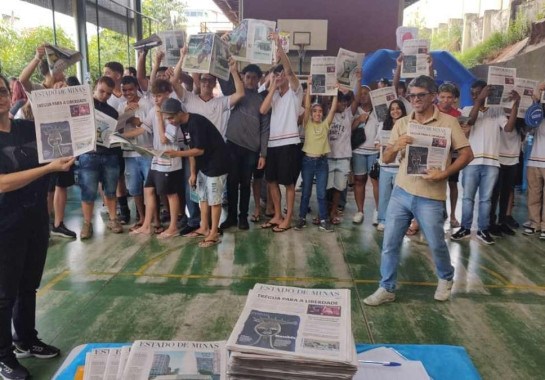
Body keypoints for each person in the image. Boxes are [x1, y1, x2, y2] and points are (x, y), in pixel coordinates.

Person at [364, 75, 473, 306]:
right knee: (390, 243)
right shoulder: (402, 123)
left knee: (436, 243)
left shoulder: (448, 123)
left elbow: (466, 154)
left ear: (432, 96)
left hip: (430, 196)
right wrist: (396, 146)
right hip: (401, 192)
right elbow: (385, 157)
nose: (415, 99)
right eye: (412, 95)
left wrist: (444, 174)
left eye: (421, 95)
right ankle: (387, 287)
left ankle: (446, 277)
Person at [0, 73, 74, 379]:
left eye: (2, 90)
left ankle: (26, 339)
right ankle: (3, 357)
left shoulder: (26, 127)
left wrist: (60, 101)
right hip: (5, 223)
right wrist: (48, 168)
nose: (0, 96)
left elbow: (60, 138)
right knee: (5, 293)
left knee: (28, 285)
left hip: (34, 219)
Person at [451, 80, 520, 245]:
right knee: (467, 198)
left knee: (486, 199)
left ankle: (483, 229)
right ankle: (465, 228)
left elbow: (509, 128)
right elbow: (471, 122)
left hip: (492, 162)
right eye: (473, 93)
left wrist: (516, 105)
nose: (476, 95)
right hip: (471, 161)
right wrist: (479, 101)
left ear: (487, 92)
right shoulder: (467, 109)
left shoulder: (496, 110)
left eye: (479, 92)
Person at [162, 98, 231, 247]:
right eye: (167, 119)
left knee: (215, 200)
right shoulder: (183, 125)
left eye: (171, 118)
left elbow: (199, 150)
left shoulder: (196, 123)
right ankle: (204, 227)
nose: (170, 121)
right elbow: (190, 149)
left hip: (217, 164)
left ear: (180, 112)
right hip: (203, 165)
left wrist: (176, 154)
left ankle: (214, 232)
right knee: (203, 198)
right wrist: (193, 173)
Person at [258, 33, 303, 233]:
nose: (280, 77)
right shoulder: (274, 94)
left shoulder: (296, 91)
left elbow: (289, 70)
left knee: (289, 183)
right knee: (272, 181)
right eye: (277, 75)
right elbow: (262, 110)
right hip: (273, 144)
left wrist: (278, 44)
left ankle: (288, 218)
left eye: (281, 75)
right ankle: (277, 215)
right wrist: (271, 87)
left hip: (289, 143)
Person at [218, 64, 270, 230]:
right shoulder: (236, 92)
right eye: (247, 77)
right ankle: (231, 216)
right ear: (243, 77)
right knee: (231, 183)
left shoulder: (263, 100)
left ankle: (242, 217)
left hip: (251, 150)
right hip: (232, 144)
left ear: (259, 80)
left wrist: (263, 154)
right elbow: (222, 80)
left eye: (254, 78)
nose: (250, 80)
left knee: (246, 183)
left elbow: (265, 129)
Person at [130, 80, 183, 239]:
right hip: (156, 158)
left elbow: (164, 138)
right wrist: (121, 137)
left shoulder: (174, 111)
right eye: (154, 96)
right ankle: (147, 225)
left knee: (171, 194)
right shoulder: (154, 110)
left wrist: (160, 117)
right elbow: (143, 128)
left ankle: (173, 226)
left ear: (168, 93)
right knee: (148, 189)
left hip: (169, 159)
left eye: (159, 96)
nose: (156, 99)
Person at [77, 76, 123, 239]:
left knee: (111, 190)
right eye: (102, 91)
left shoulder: (113, 112)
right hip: (88, 154)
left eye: (108, 94)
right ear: (95, 87)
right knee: (88, 191)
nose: (104, 95)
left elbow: (114, 134)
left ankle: (113, 219)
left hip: (110, 155)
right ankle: (87, 224)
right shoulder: (84, 106)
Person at [295, 76, 338, 232]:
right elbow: (306, 106)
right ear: (311, 114)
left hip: (321, 163)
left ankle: (324, 220)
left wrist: (335, 92)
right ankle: (301, 218)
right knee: (305, 192)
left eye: (320, 111)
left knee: (321, 193)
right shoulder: (307, 124)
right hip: (307, 161)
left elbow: (333, 110)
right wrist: (310, 89)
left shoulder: (326, 124)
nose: (318, 113)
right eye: (315, 111)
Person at [375, 99, 407, 231]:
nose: (395, 111)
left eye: (398, 108)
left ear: (402, 110)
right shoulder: (383, 125)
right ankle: (382, 219)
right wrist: (381, 146)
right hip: (386, 166)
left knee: (400, 197)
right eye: (392, 109)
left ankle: (398, 222)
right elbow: (376, 142)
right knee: (384, 195)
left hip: (401, 166)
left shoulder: (408, 124)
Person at [351, 85, 380, 225]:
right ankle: (360, 211)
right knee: (359, 180)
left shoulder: (378, 110)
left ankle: (378, 211)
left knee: (376, 182)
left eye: (365, 93)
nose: (362, 96)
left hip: (374, 152)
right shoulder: (355, 110)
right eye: (360, 94)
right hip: (358, 151)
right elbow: (348, 130)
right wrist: (358, 120)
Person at [437, 82, 463, 228]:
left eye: (449, 97)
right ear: (437, 98)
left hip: (453, 155)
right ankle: (440, 212)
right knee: (435, 182)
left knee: (452, 184)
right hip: (436, 153)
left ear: (454, 99)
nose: (446, 100)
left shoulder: (458, 115)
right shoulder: (432, 110)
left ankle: (453, 215)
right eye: (443, 97)